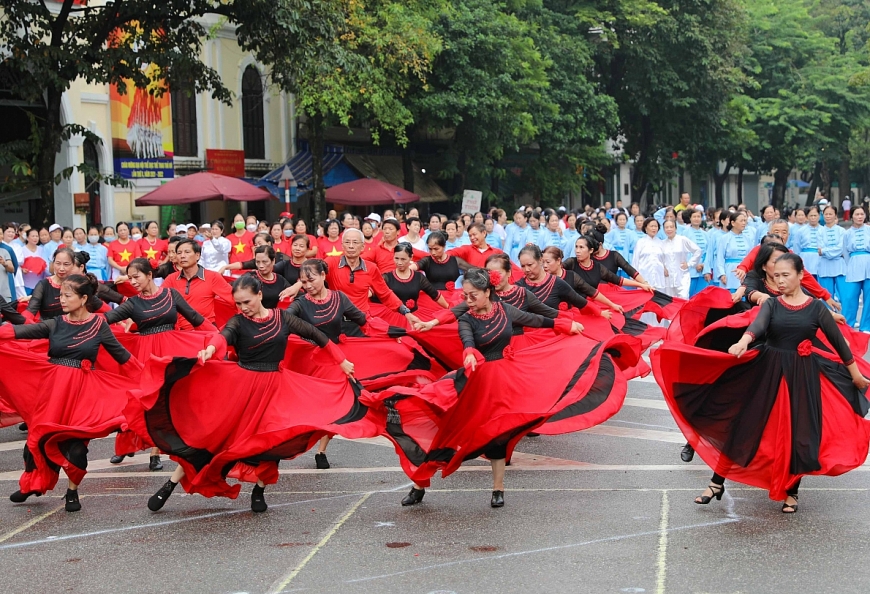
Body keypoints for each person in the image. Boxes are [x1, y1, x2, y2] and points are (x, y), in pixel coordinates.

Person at [652, 253, 870, 513]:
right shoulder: (772, 305)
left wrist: (855, 375)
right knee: (744, 427)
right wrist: (743, 342)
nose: (780, 281)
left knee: (799, 433)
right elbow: (756, 327)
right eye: (776, 276)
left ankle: (792, 492)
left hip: (803, 376)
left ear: (801, 275)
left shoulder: (816, 308)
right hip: (768, 371)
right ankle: (717, 481)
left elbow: (838, 344)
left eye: (785, 275)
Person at [135, 274, 368, 513]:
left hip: (276, 389)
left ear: (259, 295)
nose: (243, 307)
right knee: (213, 437)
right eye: (238, 303)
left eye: (247, 301)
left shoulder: (283, 318)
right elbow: (221, 336)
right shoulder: (237, 322)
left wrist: (342, 361)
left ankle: (259, 490)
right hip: (242, 387)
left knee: (273, 439)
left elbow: (318, 336)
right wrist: (210, 349)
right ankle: (170, 484)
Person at [375, 267, 602, 509]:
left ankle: (498, 489)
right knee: (449, 433)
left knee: (498, 434)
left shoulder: (504, 309)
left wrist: (564, 325)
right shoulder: (467, 318)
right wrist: (470, 353)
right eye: (465, 295)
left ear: (487, 292)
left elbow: (535, 319)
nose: (468, 300)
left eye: (473, 295)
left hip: (503, 381)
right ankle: (419, 485)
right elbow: (467, 340)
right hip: (475, 381)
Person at [0, 274, 141, 512]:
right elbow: (18, 333)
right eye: (61, 295)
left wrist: (152, 377)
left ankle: (72, 491)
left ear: (84, 298)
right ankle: (33, 483)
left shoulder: (98, 325)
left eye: (67, 295)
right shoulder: (56, 323)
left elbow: (123, 357)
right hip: (53, 390)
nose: (61, 300)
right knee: (38, 437)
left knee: (76, 446)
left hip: (81, 394)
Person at [103, 258, 218, 469]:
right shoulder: (132, 303)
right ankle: (127, 443)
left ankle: (155, 454)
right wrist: (81, 323)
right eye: (130, 278)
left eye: (136, 277)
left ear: (149, 275)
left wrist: (218, 337)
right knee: (139, 399)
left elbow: (193, 317)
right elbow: (106, 319)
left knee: (164, 401)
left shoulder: (170, 294)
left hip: (171, 351)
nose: (133, 282)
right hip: (144, 355)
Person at [161, 239, 235, 330]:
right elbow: (158, 301)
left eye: (187, 252)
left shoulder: (212, 277)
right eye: (179, 253)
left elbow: (235, 299)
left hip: (207, 332)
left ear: (197, 255)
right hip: (181, 333)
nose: (182, 256)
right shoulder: (171, 279)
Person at [843, 206, 870, 330]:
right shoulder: (847, 233)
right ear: (852, 216)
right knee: (850, 297)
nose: (860, 217)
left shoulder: (869, 230)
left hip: (868, 263)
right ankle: (848, 325)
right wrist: (851, 265)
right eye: (857, 214)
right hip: (854, 264)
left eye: (861, 214)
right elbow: (845, 252)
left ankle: (866, 327)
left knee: (869, 298)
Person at [660, 220, 702, 299]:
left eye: (671, 227)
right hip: (668, 277)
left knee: (683, 297)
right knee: (670, 300)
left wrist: (689, 264)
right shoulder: (662, 243)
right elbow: (660, 259)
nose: (669, 229)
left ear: (676, 228)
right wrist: (663, 268)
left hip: (682, 275)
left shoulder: (682, 240)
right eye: (666, 227)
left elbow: (697, 250)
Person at [715, 212, 753, 292]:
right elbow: (720, 258)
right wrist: (722, 274)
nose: (744, 223)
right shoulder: (725, 238)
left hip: (745, 271)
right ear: (733, 223)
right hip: (730, 272)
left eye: (744, 221)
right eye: (741, 221)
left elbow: (751, 257)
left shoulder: (748, 238)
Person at [817, 205, 846, 303]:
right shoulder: (819, 231)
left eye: (830, 214)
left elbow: (841, 248)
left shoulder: (842, 231)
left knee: (844, 295)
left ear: (835, 216)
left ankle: (845, 317)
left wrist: (825, 251)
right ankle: (828, 317)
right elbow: (819, 247)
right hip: (825, 266)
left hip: (839, 266)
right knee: (827, 296)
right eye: (826, 214)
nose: (828, 216)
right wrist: (835, 252)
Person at [679, 209, 710, 296]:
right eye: (694, 217)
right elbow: (683, 252)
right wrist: (694, 264)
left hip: (703, 270)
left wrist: (704, 265)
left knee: (702, 295)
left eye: (698, 217)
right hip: (690, 270)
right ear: (690, 218)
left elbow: (708, 252)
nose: (696, 219)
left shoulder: (706, 234)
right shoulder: (684, 233)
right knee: (689, 294)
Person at [632, 218, 667, 291]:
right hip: (644, 276)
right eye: (651, 226)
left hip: (659, 276)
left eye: (656, 226)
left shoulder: (661, 243)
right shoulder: (641, 242)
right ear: (646, 228)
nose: (654, 228)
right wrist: (634, 276)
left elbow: (664, 260)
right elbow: (635, 260)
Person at [794, 206, 822, 277]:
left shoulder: (823, 230)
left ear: (819, 216)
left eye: (815, 215)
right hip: (806, 259)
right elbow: (797, 248)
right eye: (811, 216)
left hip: (820, 258)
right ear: (807, 217)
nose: (813, 218)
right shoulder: (801, 231)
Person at [20, 227, 49, 294]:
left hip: (40, 283)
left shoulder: (42, 249)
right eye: (33, 236)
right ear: (27, 238)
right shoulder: (22, 250)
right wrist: (22, 269)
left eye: (37, 236)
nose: (35, 238)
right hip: (26, 283)